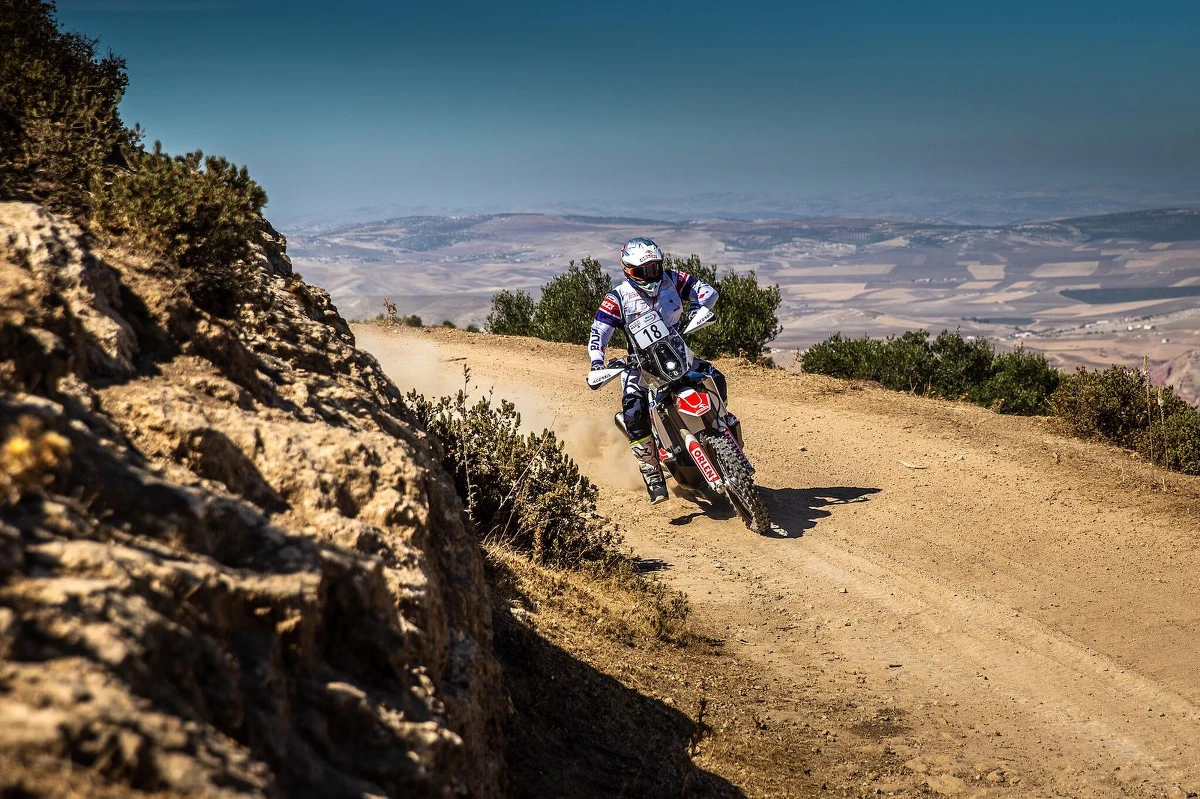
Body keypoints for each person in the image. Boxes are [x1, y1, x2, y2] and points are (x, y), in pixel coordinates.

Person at [588, 237, 729, 503]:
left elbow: (707, 292)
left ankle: (721, 425)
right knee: (634, 410)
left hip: (676, 351)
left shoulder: (672, 279)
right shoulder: (617, 298)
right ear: (628, 271)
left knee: (715, 377)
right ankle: (651, 471)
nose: (650, 274)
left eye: (654, 267)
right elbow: (599, 333)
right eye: (642, 271)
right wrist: (597, 362)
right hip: (640, 365)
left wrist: (698, 309)